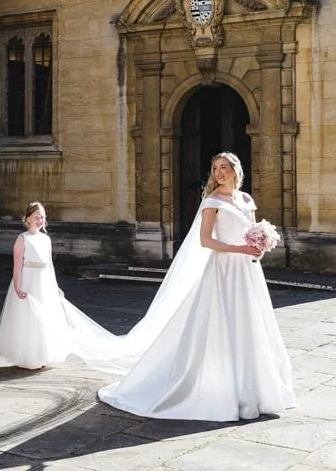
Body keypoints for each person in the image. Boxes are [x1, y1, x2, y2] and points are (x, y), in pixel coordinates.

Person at [97, 152, 296, 421]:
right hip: (223, 270)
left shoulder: (247, 200)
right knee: (222, 325)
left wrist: (259, 246)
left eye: (224, 167)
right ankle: (223, 391)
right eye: (215, 168)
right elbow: (206, 241)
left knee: (251, 324)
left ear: (235, 170)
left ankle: (257, 391)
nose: (219, 172)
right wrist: (239, 248)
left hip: (247, 271)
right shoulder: (212, 201)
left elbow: (252, 232)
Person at [0, 201, 72, 369]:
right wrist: (18, 286)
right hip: (28, 280)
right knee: (28, 319)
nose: (40, 220)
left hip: (44, 281)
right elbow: (17, 265)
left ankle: (43, 354)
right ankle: (29, 356)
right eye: (37, 217)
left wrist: (55, 286)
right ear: (27, 219)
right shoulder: (22, 239)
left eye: (42, 217)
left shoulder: (46, 239)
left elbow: (49, 264)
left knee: (45, 317)